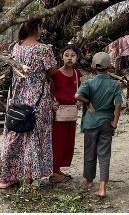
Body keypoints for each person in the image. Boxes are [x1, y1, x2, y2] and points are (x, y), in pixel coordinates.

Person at [0, 19, 58, 189]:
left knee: (14, 133)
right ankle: (30, 176)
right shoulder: (43, 49)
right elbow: (52, 70)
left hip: (17, 96)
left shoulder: (14, 47)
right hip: (37, 98)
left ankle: (7, 176)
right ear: (37, 28)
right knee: (34, 135)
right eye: (41, 27)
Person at [76, 52, 123, 198]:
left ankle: (89, 181)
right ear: (109, 66)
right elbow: (118, 104)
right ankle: (103, 187)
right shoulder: (115, 84)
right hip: (107, 123)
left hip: (91, 123)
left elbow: (77, 96)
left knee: (90, 152)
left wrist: (88, 102)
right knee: (104, 154)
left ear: (92, 66)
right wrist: (115, 121)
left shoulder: (89, 83)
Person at [49, 45, 81, 184]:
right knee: (57, 141)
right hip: (58, 113)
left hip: (72, 112)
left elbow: (80, 91)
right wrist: (52, 102)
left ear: (77, 58)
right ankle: (53, 173)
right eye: (66, 55)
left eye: (72, 55)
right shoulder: (56, 74)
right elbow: (49, 90)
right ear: (61, 57)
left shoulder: (77, 74)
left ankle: (58, 169)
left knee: (68, 142)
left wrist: (80, 101)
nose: (69, 58)